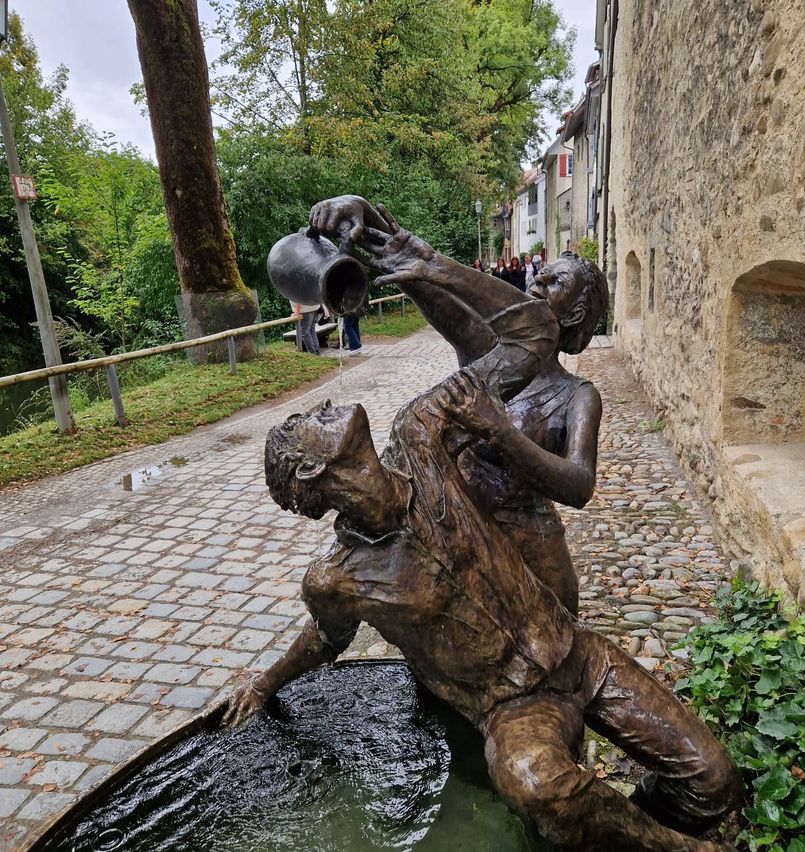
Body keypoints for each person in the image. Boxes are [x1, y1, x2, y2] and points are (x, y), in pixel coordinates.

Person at [222, 255, 742, 850]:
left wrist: (418, 262)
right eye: (312, 418)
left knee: (715, 782)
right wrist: (264, 684)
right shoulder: (336, 577)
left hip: (577, 653)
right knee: (533, 781)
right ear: (315, 468)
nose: (327, 403)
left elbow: (528, 336)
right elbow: (324, 638)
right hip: (511, 707)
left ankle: (625, 830)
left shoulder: (420, 435)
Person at [307, 197, 598, 613]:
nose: (537, 284)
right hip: (459, 542)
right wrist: (363, 211)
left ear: (576, 315)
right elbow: (419, 271)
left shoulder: (578, 395)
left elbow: (580, 485)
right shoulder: (485, 350)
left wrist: (502, 432)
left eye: (556, 284)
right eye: (542, 275)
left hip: (532, 559)